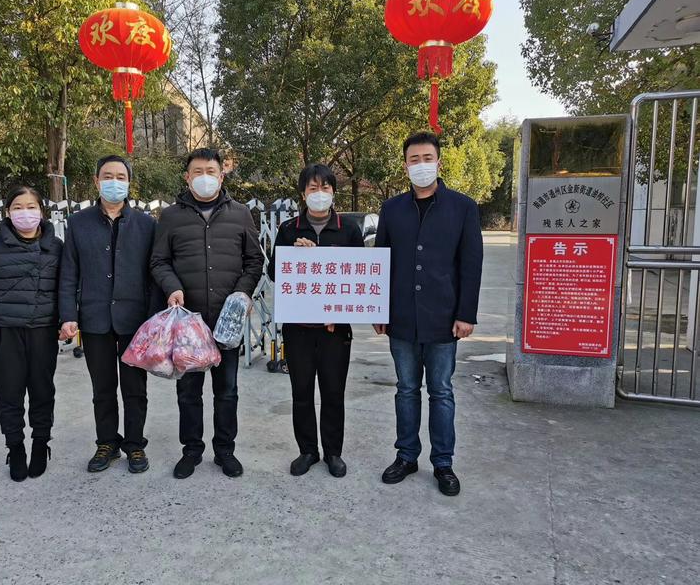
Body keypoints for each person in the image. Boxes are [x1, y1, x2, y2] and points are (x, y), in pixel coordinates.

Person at [374, 131, 483, 496]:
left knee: (441, 391)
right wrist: (379, 309)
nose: (420, 165)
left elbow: (471, 264)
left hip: (443, 318)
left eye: (427, 158)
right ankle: (406, 455)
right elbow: (380, 264)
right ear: (405, 164)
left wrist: (466, 313)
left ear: (439, 162)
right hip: (401, 319)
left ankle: (443, 463)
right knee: (406, 390)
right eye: (413, 160)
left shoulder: (462, 207)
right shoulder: (391, 210)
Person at [151, 148, 264, 479]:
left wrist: (242, 292)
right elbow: (159, 261)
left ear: (221, 175)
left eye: (210, 171)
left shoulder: (240, 214)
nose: (204, 177)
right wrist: (171, 287)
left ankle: (225, 450)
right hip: (188, 322)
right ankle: (192, 450)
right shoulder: (171, 217)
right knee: (188, 391)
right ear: (187, 177)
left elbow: (254, 260)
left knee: (227, 390)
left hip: (226, 321)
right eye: (197, 171)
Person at [59, 155, 158, 474]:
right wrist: (67, 314)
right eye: (108, 176)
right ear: (96, 181)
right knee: (102, 387)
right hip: (95, 318)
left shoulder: (146, 224)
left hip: (134, 320)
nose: (114, 181)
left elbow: (153, 273)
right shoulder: (78, 222)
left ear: (129, 182)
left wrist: (153, 319)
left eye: (121, 176)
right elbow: (69, 272)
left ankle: (135, 445)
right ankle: (106, 443)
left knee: (134, 388)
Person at [269, 164, 364, 478]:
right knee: (302, 392)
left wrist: (341, 311)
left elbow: (358, 275)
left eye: (325, 188)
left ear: (333, 192)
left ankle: (333, 452)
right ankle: (307, 450)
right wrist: (296, 257)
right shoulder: (288, 229)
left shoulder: (349, 229)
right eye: (312, 188)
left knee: (334, 393)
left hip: (336, 329)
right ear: (302, 193)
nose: (319, 194)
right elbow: (273, 273)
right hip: (298, 330)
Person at [0, 186, 63, 482]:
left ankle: (39, 444)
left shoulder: (56, 245)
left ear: (42, 212)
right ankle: (15, 447)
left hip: (43, 330)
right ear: (8, 212)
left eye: (31, 206)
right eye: (18, 207)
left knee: (42, 391)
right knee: (8, 394)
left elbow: (66, 287)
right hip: (4, 331)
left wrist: (66, 321)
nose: (25, 213)